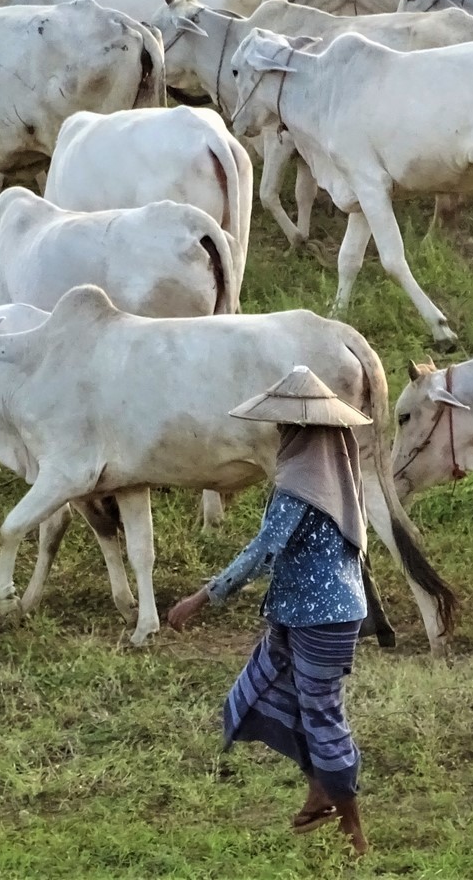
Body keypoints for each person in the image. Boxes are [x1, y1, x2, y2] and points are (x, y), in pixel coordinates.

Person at [167, 365, 378, 855]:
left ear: (301, 433)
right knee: (265, 691)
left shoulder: (297, 490)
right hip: (305, 613)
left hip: (316, 619)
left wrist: (203, 596)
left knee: (322, 716)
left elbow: (263, 552)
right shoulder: (335, 483)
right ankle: (319, 790)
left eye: (286, 426)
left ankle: (354, 832)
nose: (280, 432)